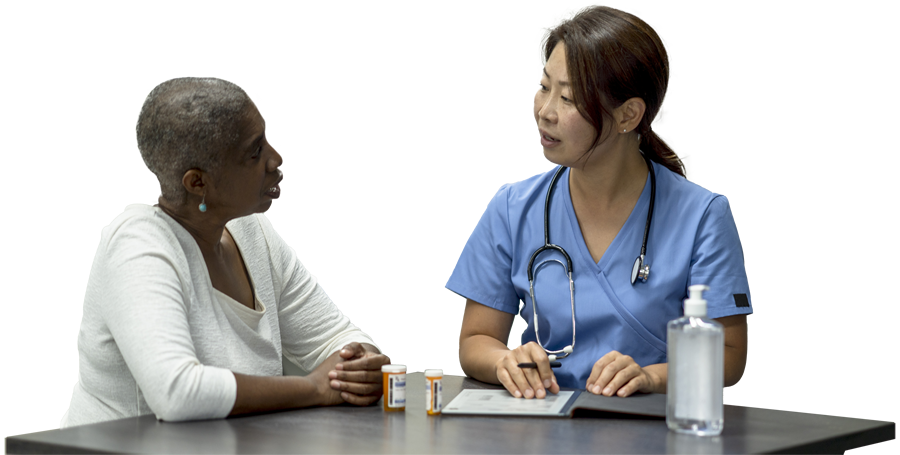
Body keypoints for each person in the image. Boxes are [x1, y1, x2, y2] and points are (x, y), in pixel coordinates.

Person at [447, 4, 752, 400]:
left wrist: (652, 377)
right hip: (542, 429)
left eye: (569, 98)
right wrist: (505, 361)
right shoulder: (512, 208)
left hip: (651, 431)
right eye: (543, 87)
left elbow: (729, 356)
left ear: (628, 114)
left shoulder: (702, 217)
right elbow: (477, 339)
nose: (545, 111)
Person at [60, 77, 389, 427]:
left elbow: (341, 339)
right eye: (254, 152)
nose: (276, 160)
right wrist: (313, 388)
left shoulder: (249, 231)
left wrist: (357, 369)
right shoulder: (137, 246)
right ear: (197, 182)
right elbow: (178, 393)